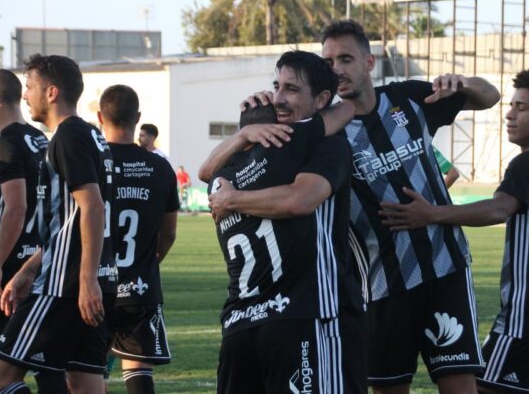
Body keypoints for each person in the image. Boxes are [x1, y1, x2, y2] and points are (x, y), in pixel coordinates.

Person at [378, 67, 529, 394]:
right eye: (511, 106)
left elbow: (499, 208)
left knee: (478, 388)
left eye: (521, 108)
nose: (509, 114)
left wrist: (433, 213)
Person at [320, 20, 500, 394]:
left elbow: (491, 95)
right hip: (381, 283)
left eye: (346, 58)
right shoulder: (325, 134)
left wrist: (461, 82)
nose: (336, 69)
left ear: (369, 63)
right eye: (329, 61)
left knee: (461, 386)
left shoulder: (408, 98)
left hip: (445, 269)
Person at [206, 51, 366, 393]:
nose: (279, 97)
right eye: (277, 87)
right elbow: (301, 199)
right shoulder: (313, 144)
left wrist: (239, 146)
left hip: (238, 324)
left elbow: (207, 171)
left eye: (290, 89)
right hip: (304, 316)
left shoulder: (222, 178)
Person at [0, 54, 117, 394]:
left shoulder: (67, 138)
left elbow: (92, 207)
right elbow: (68, 222)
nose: (26, 95)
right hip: (95, 279)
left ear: (52, 93)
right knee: (84, 386)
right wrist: (28, 270)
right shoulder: (90, 135)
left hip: (64, 286)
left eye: (30, 87)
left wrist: (85, 281)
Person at [97, 85, 179, 394]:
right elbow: (169, 233)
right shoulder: (159, 167)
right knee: (138, 372)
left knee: (88, 374)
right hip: (140, 286)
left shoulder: (91, 163)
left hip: (95, 286)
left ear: (100, 117)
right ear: (138, 118)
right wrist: (149, 260)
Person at [0, 70, 49, 351]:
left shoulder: (4, 144)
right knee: (30, 355)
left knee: (5, 361)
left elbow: (16, 207)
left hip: (6, 259)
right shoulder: (42, 140)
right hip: (37, 257)